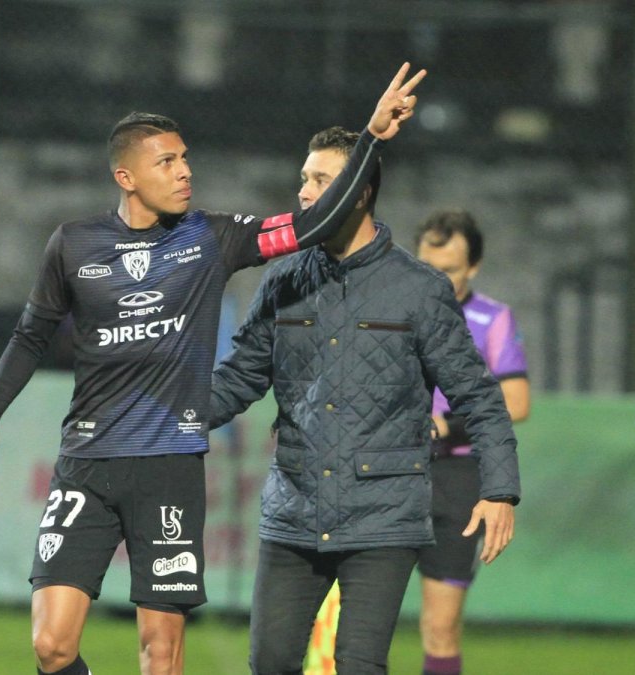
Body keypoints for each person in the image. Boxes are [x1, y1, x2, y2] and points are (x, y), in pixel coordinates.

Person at [0, 63, 427, 675]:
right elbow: (30, 335)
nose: (184, 172)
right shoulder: (73, 244)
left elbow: (313, 222)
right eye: (166, 163)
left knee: (161, 653)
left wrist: (369, 139)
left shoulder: (213, 238)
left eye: (184, 159)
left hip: (168, 470)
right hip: (86, 463)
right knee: (52, 645)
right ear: (125, 176)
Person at [209, 127, 521, 675]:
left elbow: (478, 394)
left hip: (385, 516)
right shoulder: (281, 279)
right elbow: (237, 380)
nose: (303, 193)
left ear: (359, 192)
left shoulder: (421, 288)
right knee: (271, 663)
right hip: (293, 511)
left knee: (358, 664)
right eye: (303, 179)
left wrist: (499, 490)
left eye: (320, 180)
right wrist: (161, 416)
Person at [414, 209, 530, 675]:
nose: (435, 278)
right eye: (426, 266)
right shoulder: (392, 309)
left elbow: (517, 401)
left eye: (449, 270)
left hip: (456, 476)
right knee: (355, 622)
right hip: (386, 472)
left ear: (474, 269)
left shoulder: (492, 318)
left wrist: (447, 425)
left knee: (440, 627)